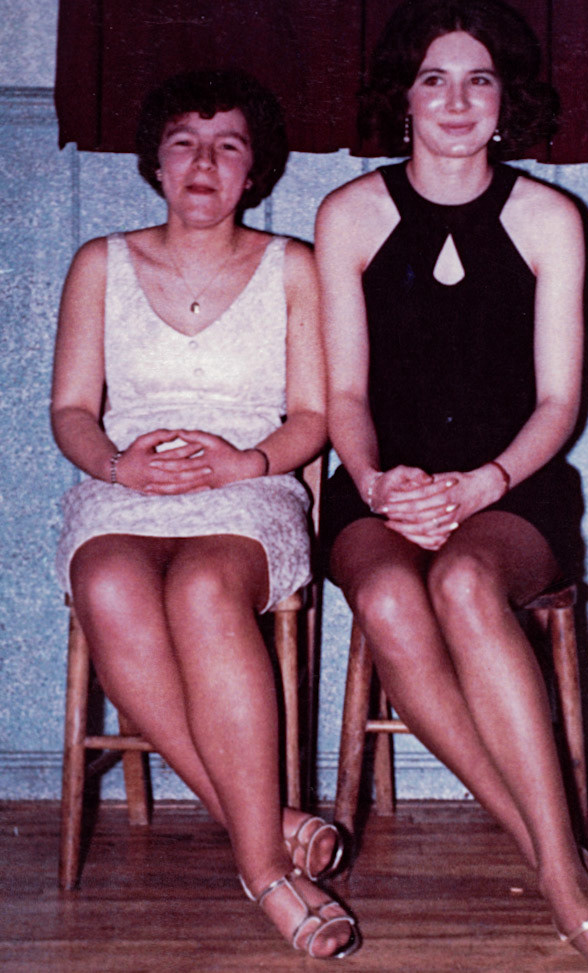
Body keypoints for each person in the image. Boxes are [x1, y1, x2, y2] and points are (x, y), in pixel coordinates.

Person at [315, 1, 588, 969]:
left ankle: (566, 886)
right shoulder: (348, 214)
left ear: (507, 100)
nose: (456, 99)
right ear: (403, 96)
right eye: (434, 77)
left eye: (479, 79)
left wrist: (480, 485)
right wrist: (376, 479)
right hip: (379, 487)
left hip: (514, 487)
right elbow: (343, 390)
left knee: (467, 585)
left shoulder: (550, 218)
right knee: (392, 591)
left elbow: (560, 400)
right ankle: (570, 872)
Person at [52, 69, 358, 960]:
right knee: (106, 581)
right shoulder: (100, 263)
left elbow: (314, 417)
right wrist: (117, 462)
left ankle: (262, 868)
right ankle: (269, 827)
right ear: (155, 157)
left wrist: (247, 460)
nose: (204, 161)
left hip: (251, 481)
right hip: (126, 478)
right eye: (185, 140)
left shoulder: (292, 267)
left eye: (228, 145)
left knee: (201, 591)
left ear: (254, 170)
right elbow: (72, 409)